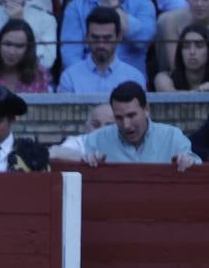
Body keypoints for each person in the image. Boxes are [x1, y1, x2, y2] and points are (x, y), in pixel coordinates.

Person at [64, 82, 202, 170]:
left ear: (146, 109)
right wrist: (82, 159)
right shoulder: (99, 137)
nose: (126, 125)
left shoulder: (172, 136)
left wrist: (188, 162)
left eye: (131, 115)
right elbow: (58, 152)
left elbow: (196, 165)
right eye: (118, 118)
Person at [57, 5, 144, 93]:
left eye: (107, 38)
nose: (101, 45)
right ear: (86, 38)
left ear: (119, 38)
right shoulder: (69, 78)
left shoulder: (135, 78)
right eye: (95, 38)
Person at [0, 17, 50, 93]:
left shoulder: (40, 75)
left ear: (28, 49)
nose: (12, 52)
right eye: (7, 44)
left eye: (19, 46)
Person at [155, 0, 209, 73]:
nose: (199, 3)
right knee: (161, 79)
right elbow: (176, 68)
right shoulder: (171, 21)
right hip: (183, 80)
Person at [48, 101, 113, 163]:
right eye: (96, 125)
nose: (101, 130)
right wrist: (84, 158)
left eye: (109, 126)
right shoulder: (78, 142)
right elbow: (53, 152)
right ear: (86, 127)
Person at [154, 25, 209, 93]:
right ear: (180, 51)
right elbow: (174, 100)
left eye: (199, 46)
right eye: (186, 46)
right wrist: (200, 91)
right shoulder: (164, 78)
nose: (192, 52)